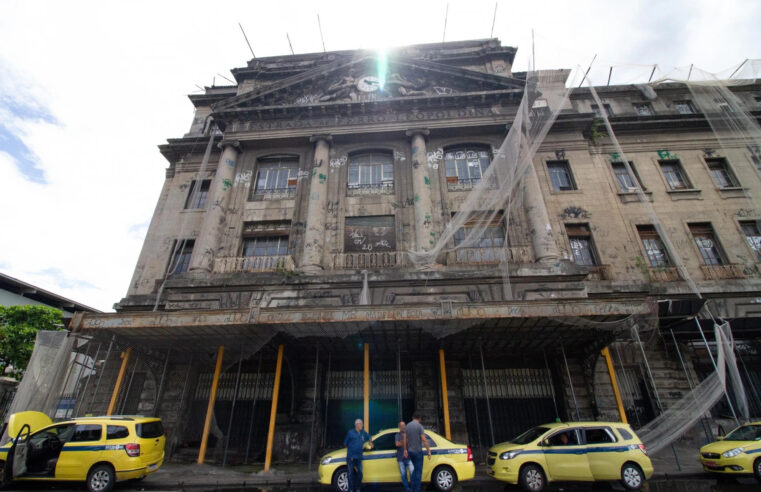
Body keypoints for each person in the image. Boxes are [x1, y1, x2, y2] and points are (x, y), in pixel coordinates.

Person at [403, 414, 431, 492]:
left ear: (413, 418)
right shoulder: (419, 426)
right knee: (418, 472)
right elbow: (424, 439)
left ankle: (412, 487)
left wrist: (405, 450)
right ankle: (417, 490)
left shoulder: (407, 426)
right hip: (418, 452)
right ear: (419, 419)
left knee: (413, 471)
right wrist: (428, 451)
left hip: (410, 452)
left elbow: (405, 439)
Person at [344, 418, 372, 492]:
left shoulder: (363, 433)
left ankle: (358, 488)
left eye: (362, 424)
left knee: (360, 473)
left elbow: (369, 436)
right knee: (350, 474)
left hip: (359, 457)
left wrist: (370, 442)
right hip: (351, 457)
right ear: (357, 425)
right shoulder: (350, 432)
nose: (362, 425)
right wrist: (352, 450)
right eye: (361, 424)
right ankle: (351, 489)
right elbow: (345, 444)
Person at [395, 421, 414, 491]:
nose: (403, 427)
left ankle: (412, 487)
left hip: (409, 457)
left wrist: (401, 442)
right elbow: (397, 444)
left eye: (404, 425)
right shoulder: (397, 435)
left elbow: (411, 443)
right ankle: (407, 488)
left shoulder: (409, 434)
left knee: (412, 471)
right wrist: (405, 441)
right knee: (403, 474)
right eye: (401, 426)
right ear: (399, 427)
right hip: (400, 458)